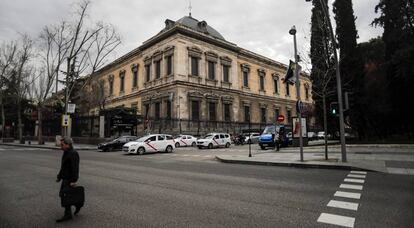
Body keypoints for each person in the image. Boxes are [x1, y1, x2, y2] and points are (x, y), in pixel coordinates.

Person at [56, 137, 80, 223]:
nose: (60, 147)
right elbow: (63, 166)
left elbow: (75, 169)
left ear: (68, 145)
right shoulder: (66, 152)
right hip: (65, 178)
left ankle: (68, 214)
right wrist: (59, 176)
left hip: (69, 179)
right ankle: (76, 206)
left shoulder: (73, 153)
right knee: (66, 196)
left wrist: (74, 180)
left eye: (62, 145)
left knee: (65, 196)